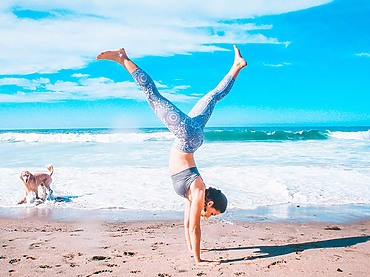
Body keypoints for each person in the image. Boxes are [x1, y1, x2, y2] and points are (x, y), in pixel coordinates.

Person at [96, 45, 247, 264]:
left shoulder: (193, 194)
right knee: (153, 96)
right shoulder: (198, 191)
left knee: (213, 97)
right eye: (212, 214)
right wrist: (198, 260)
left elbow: (187, 225)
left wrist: (190, 250)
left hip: (191, 138)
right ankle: (123, 58)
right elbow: (195, 227)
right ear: (211, 204)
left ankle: (237, 67)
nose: (209, 216)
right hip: (187, 137)